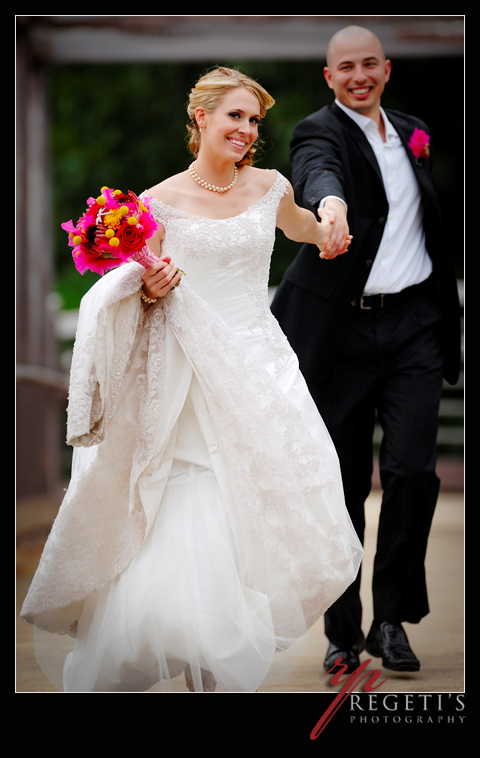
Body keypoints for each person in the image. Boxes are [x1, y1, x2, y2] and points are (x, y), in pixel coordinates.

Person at [21, 67, 362, 693]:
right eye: (235, 115)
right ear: (201, 116)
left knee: (252, 507)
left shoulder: (269, 186)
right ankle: (187, 647)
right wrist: (147, 288)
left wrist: (332, 218)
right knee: (189, 499)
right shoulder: (155, 202)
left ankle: (217, 670)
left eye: (254, 120)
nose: (247, 130)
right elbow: (131, 287)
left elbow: (308, 229)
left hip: (259, 367)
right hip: (184, 374)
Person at [271, 26, 461, 676]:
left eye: (369, 64)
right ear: (329, 77)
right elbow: (316, 171)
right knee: (343, 485)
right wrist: (329, 202)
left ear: (386, 68)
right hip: (342, 336)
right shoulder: (317, 131)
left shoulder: (413, 131)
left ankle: (392, 619)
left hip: (414, 326)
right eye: (345, 67)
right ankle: (344, 631)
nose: (358, 75)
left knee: (411, 473)